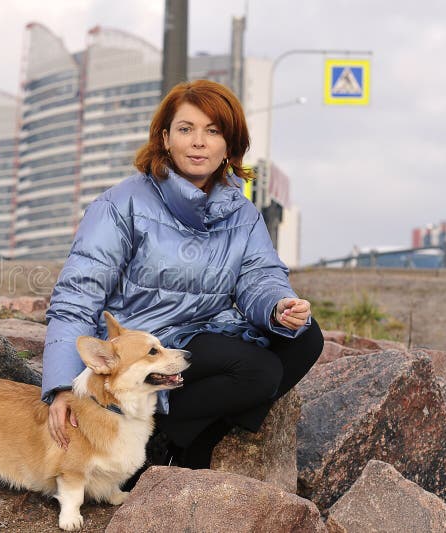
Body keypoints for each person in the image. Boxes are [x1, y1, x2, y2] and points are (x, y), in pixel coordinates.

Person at [41, 79, 324, 471]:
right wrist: (60, 388)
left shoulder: (242, 214)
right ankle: (163, 434)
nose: (198, 142)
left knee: (305, 338)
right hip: (142, 342)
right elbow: (78, 295)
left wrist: (279, 307)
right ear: (165, 138)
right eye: (186, 129)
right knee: (259, 372)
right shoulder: (121, 203)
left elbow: (259, 274)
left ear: (230, 145)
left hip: (200, 331)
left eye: (213, 131)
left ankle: (182, 440)